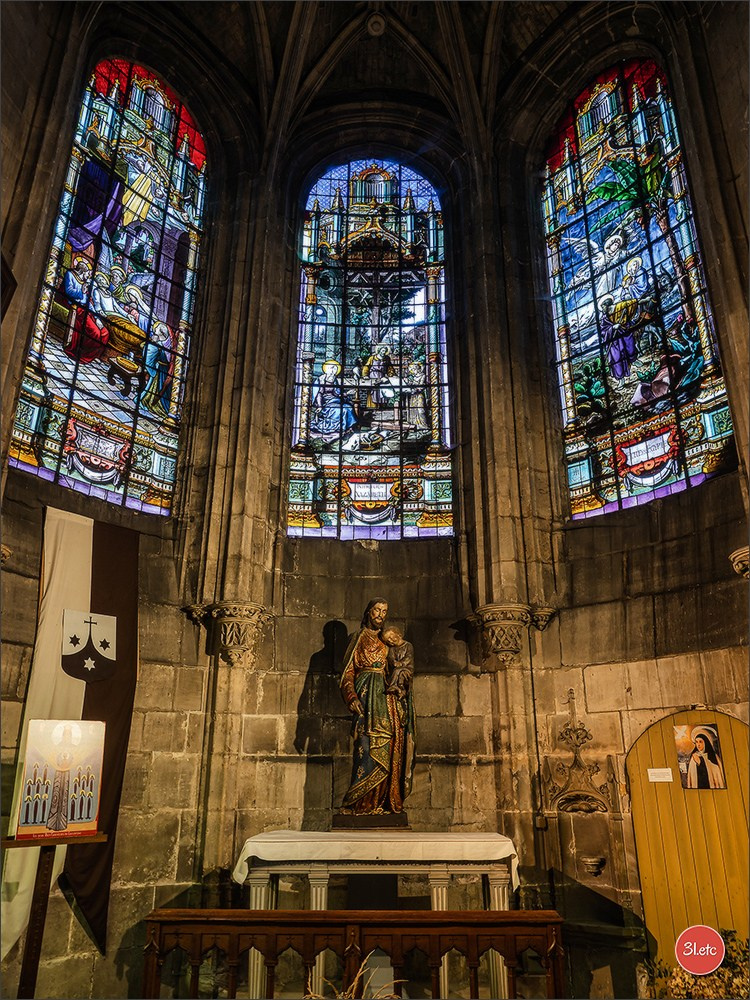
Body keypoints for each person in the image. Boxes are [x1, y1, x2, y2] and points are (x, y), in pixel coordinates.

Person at [339, 600, 416, 815]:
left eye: (384, 611)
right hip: (364, 698)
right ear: (368, 612)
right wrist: (351, 697)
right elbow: (347, 673)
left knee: (389, 748)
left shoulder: (387, 640)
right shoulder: (357, 639)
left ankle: (383, 802)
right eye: (377, 610)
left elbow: (401, 666)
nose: (380, 614)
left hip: (386, 699)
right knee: (365, 748)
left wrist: (401, 684)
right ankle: (360, 803)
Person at [382, 627, 415, 700]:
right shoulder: (392, 649)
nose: (390, 641)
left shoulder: (408, 645)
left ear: (398, 634)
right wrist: (393, 662)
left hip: (408, 668)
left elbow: (408, 657)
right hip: (396, 670)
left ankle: (393, 686)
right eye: (388, 640)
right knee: (397, 672)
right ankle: (400, 691)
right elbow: (390, 658)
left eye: (391, 637)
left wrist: (401, 663)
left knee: (399, 672)